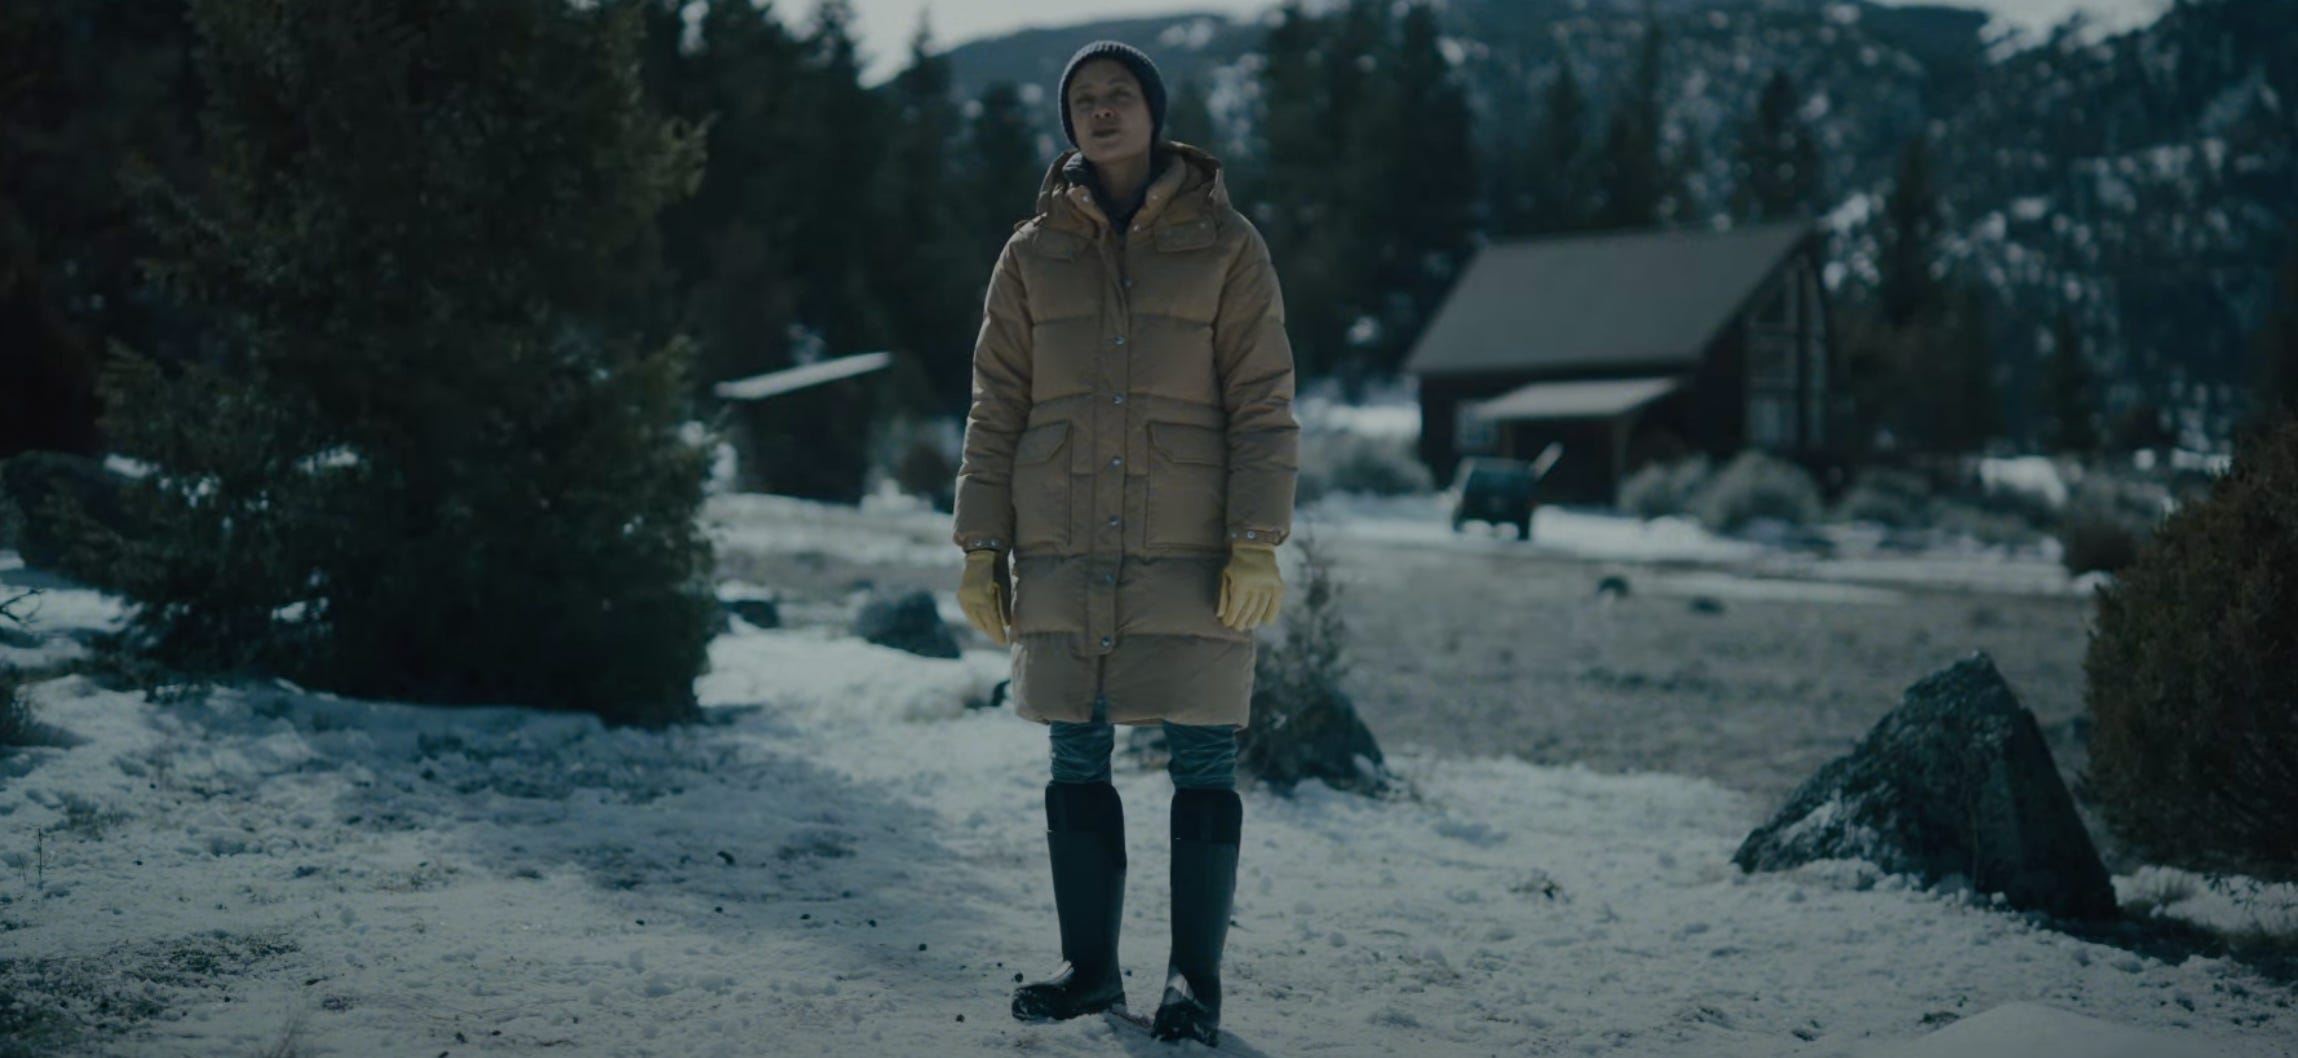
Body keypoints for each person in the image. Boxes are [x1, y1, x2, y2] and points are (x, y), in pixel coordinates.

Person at [949, 39, 1299, 1048]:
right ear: (1069, 124)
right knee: (1075, 742)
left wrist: (1257, 537)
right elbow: (996, 403)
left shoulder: (1227, 244)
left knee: (1201, 749)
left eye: (1119, 95)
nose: (1101, 111)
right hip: (1061, 535)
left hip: (1187, 537)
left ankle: (1195, 980)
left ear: (1154, 111)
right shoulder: (1029, 253)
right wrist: (981, 544)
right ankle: (1090, 968)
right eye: (1084, 101)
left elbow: (1264, 400)